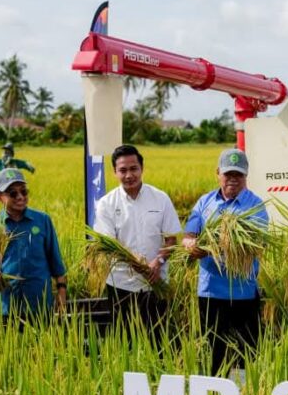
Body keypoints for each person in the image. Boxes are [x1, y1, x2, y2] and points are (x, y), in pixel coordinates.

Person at [182, 148, 268, 376]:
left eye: (238, 175)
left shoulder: (255, 206)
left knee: (245, 348)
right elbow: (190, 234)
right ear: (218, 173)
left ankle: (243, 394)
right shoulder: (204, 202)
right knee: (212, 346)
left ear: (246, 176)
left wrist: (210, 248)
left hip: (243, 291)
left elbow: (254, 245)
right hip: (210, 291)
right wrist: (190, 245)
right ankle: (212, 391)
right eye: (228, 174)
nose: (233, 179)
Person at [93, 145, 181, 331]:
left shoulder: (160, 198)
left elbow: (171, 240)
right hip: (120, 285)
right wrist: (141, 267)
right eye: (123, 170)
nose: (129, 175)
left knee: (157, 339)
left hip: (156, 283)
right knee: (125, 342)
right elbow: (110, 246)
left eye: (134, 169)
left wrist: (158, 262)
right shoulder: (106, 204)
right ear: (114, 172)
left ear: (142, 168)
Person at [0, 169, 67, 321]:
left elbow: (56, 261)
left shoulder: (42, 220)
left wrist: (61, 293)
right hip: (5, 305)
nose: (20, 197)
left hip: (38, 303)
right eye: (13, 193)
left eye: (24, 191)